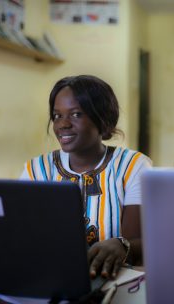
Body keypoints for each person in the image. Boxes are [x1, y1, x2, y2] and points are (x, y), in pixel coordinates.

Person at [20, 75, 152, 279]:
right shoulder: (37, 169)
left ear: (103, 120)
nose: (63, 124)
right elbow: (21, 232)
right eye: (57, 116)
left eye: (76, 114)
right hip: (50, 276)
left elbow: (136, 241)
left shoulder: (133, 166)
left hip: (113, 280)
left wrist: (121, 245)